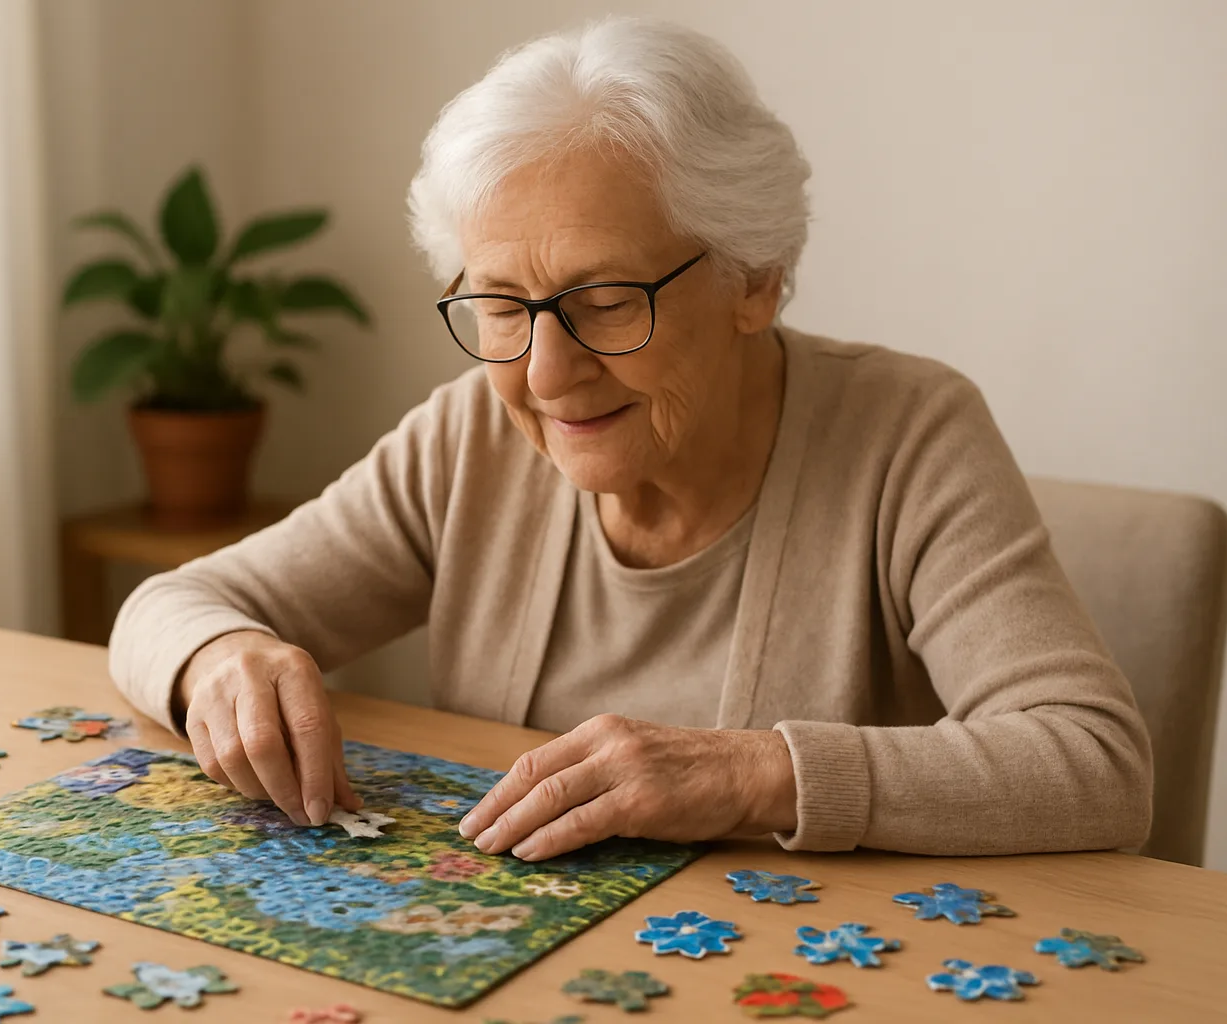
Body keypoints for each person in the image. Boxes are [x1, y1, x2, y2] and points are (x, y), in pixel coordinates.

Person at [108, 17, 1152, 861]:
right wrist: (224, 658)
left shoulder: (909, 435)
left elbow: (1095, 762)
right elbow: (170, 605)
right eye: (501, 306)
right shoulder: (468, 438)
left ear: (754, 279)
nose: (546, 375)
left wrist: (751, 773)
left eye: (606, 301)